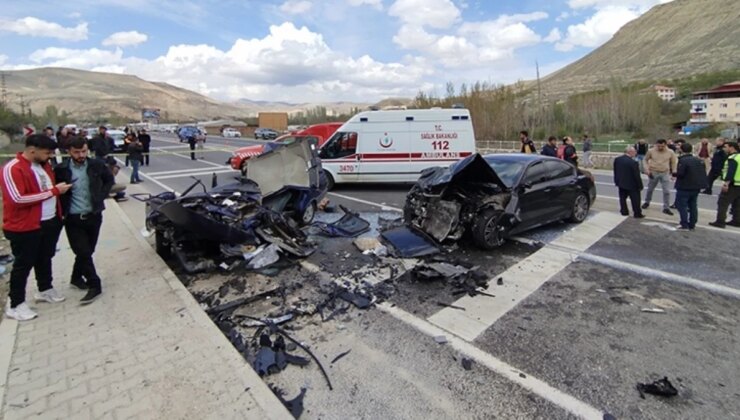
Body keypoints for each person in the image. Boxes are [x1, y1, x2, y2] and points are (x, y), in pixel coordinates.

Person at [1, 135, 71, 320]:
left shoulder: (44, 166)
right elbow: (17, 199)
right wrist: (53, 191)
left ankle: (45, 288)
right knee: (23, 265)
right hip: (24, 226)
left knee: (45, 257)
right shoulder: (13, 168)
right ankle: (15, 303)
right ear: (33, 150)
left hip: (49, 221)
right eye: (46, 152)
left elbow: (47, 190)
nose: (49, 156)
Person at [53, 136, 114, 304]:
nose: (80, 155)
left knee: (88, 250)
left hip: (93, 215)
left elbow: (109, 179)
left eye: (83, 151)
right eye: (76, 152)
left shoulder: (96, 165)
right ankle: (95, 284)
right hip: (72, 218)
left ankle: (75, 277)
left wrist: (101, 196)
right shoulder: (61, 170)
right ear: (69, 152)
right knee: (82, 251)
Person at [674, 143, 708, 231]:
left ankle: (684, 224)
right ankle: (692, 224)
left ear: (681, 149)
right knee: (693, 205)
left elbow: (681, 173)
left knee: (682, 205)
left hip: (685, 186)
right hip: (696, 186)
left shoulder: (683, 160)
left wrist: (674, 174)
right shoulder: (698, 160)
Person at [641, 139, 677, 215]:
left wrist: (674, 173)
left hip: (665, 172)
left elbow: (674, 162)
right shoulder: (651, 151)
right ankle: (647, 202)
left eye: (662, 146)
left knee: (666, 191)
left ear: (665, 145)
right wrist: (646, 169)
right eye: (659, 146)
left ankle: (666, 207)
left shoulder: (670, 152)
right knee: (650, 189)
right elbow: (645, 159)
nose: (660, 147)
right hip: (654, 172)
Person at [709, 142, 740, 228]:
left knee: (723, 203)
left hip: (733, 184)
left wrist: (726, 183)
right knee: (737, 204)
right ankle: (737, 220)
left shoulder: (733, 158)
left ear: (732, 148)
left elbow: (731, 171)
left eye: (726, 147)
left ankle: (720, 221)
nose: (724, 149)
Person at [613, 146, 644, 218]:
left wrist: (616, 181)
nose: (635, 153)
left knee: (622, 199)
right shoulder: (633, 163)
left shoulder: (618, 160)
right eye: (634, 152)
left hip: (621, 183)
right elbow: (637, 176)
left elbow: (616, 171)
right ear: (630, 152)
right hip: (632, 185)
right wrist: (640, 185)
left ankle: (624, 211)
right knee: (635, 200)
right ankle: (637, 213)